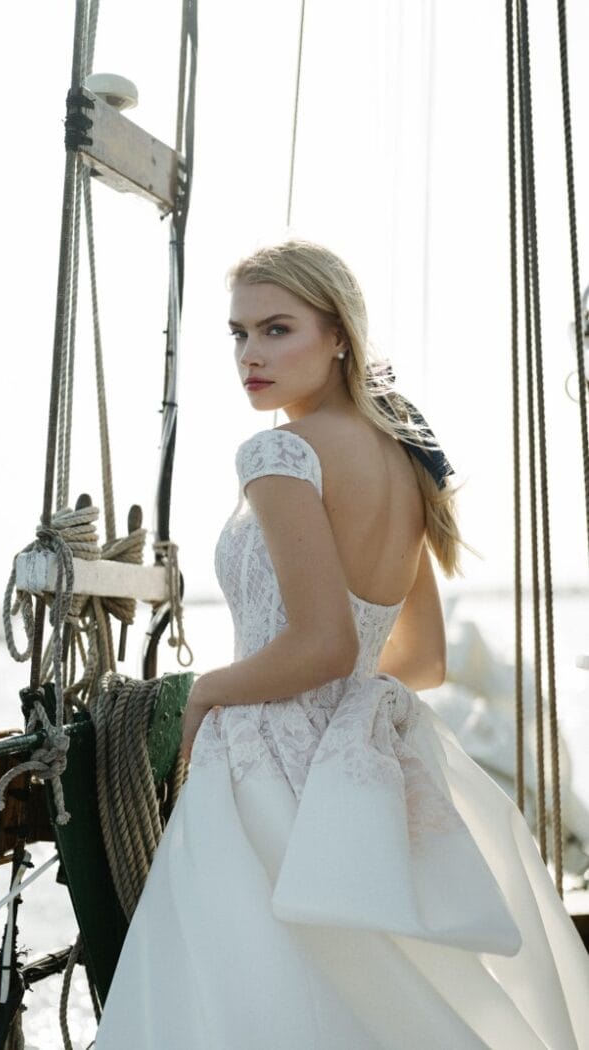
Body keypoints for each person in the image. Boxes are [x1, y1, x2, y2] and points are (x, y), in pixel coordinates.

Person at [94, 240, 589, 1049]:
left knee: (244, 994)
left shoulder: (279, 452)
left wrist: (207, 693)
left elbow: (320, 645)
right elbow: (420, 657)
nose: (250, 355)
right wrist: (341, 692)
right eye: (238, 334)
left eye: (276, 329)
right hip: (358, 766)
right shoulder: (402, 456)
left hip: (263, 758)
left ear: (338, 338)